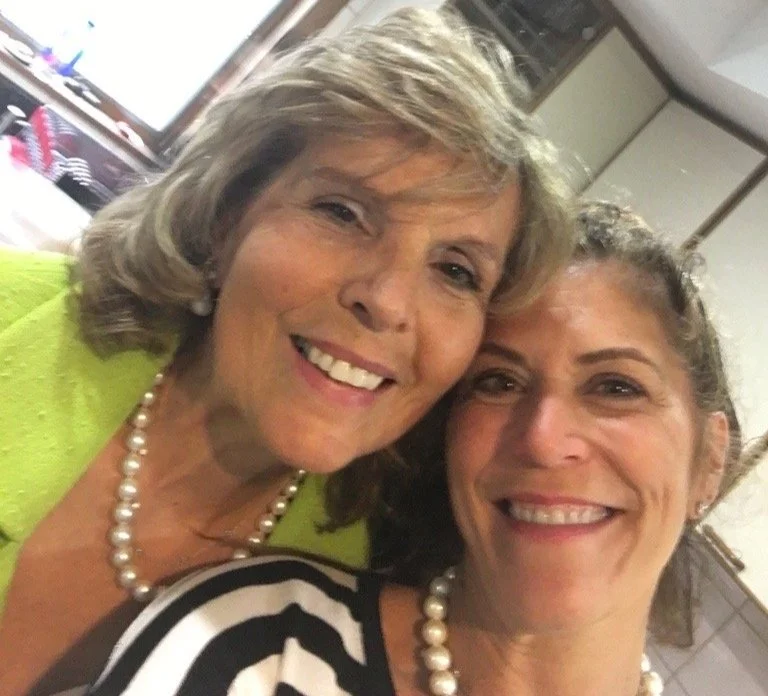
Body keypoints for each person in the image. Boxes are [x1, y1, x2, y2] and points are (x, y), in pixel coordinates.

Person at [0, 9, 574, 694]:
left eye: (455, 271)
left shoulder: (359, 616)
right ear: (226, 217)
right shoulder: (14, 314)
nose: (387, 300)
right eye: (342, 213)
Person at [85, 202, 742, 696]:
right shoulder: (261, 648)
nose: (544, 439)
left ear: (710, 462)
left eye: (616, 387)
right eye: (498, 382)